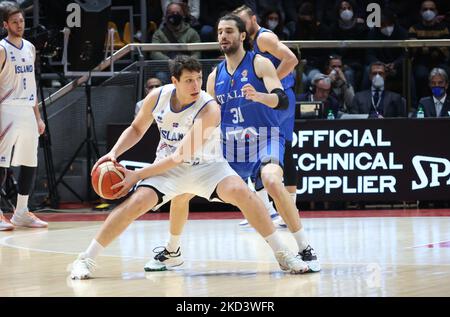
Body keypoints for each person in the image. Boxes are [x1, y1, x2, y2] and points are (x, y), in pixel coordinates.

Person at [69, 55, 310, 279]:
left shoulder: (209, 108)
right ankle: (86, 258)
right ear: (175, 81)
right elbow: (137, 129)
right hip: (169, 168)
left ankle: (283, 254)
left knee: (243, 193)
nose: (196, 86)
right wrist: (112, 153)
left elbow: (181, 155)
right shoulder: (157, 97)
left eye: (198, 80)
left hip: (208, 167)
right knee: (136, 203)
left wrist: (137, 175)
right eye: (189, 81)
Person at [147, 15, 320, 273]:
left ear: (242, 36)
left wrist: (260, 96)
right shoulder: (214, 76)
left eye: (229, 31)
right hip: (228, 144)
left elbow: (281, 100)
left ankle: (304, 246)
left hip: (264, 137)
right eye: (219, 32)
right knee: (182, 190)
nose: (223, 36)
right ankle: (173, 250)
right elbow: (206, 116)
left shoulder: (260, 63)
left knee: (272, 180)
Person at [233, 5, 298, 227]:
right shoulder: (247, 42)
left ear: (253, 19)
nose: (240, 26)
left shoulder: (264, 38)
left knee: (282, 148)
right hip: (261, 99)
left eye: (243, 21)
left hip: (279, 99)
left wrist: (271, 84)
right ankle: (265, 209)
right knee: (255, 146)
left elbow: (291, 59)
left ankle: (290, 208)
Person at [0, 5, 47, 231]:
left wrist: (37, 117)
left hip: (27, 109)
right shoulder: (1, 49)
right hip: (5, 108)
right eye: (15, 22)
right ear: (5, 25)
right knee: (1, 163)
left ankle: (21, 212)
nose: (20, 25)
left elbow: (32, 84)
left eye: (22, 21)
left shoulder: (29, 48)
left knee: (30, 162)